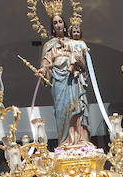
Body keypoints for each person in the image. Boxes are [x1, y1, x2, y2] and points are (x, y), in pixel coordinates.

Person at [38, 14, 91, 147]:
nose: (58, 25)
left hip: (73, 79)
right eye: (55, 23)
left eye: (60, 21)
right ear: (52, 27)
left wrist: (78, 61)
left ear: (64, 24)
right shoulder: (49, 45)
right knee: (62, 110)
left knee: (77, 106)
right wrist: (43, 71)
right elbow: (45, 63)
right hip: (58, 80)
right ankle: (65, 142)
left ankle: (80, 140)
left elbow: (83, 61)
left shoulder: (72, 42)